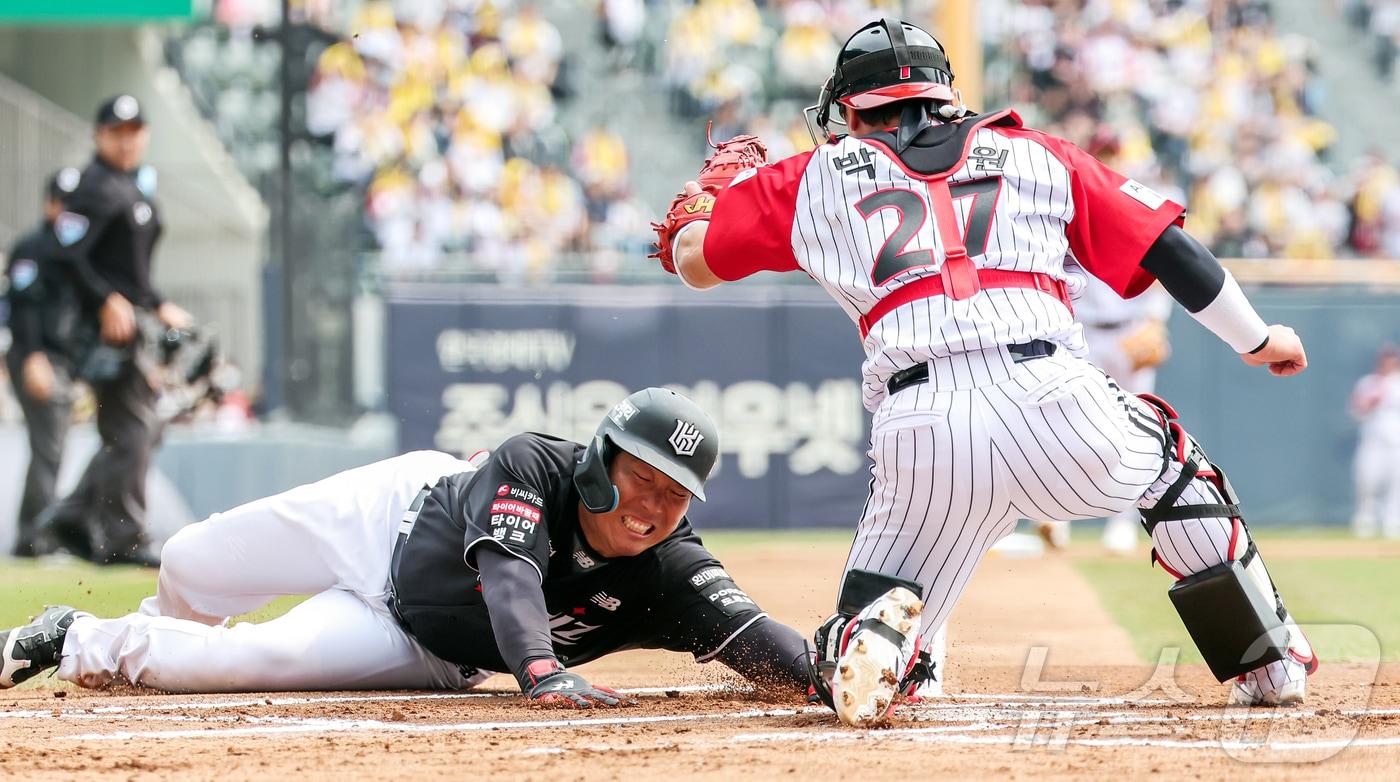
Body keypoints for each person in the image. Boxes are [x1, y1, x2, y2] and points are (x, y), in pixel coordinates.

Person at [650, 18, 1317, 726]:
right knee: (1171, 464)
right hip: (1056, 398)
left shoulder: (813, 177)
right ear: (944, 97)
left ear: (848, 109)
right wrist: (1257, 339)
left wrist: (712, 197)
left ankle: (876, 643)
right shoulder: (1038, 154)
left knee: (886, 611)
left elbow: (693, 261)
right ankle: (1267, 662)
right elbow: (1168, 248)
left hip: (921, 422)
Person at [0, 388, 812, 703]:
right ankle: (169, 631)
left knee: (254, 664)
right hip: (384, 515)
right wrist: (539, 671)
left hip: (422, 644)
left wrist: (836, 680)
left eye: (675, 494)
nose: (654, 506)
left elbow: (755, 637)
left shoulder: (669, 566)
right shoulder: (535, 462)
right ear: (600, 460)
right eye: (644, 478)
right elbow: (510, 577)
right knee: (186, 563)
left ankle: (75, 636)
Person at [33, 94, 193, 566]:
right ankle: (124, 536)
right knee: (135, 429)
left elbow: (130, 272)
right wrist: (105, 300)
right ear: (99, 135)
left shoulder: (127, 186)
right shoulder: (92, 187)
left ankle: (71, 515)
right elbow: (64, 254)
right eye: (117, 132)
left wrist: (159, 303)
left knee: (136, 431)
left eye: (134, 131)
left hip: (134, 324)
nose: (127, 140)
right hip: (106, 334)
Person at [1035, 275, 1173, 553]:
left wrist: (1156, 321)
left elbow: (1158, 271)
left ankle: (1124, 524)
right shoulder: (1070, 230)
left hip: (1130, 329)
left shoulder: (1134, 231)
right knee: (1068, 424)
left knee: (1134, 428)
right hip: (1079, 330)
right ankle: (1057, 516)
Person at [5, 170, 85, 556]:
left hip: (62, 361)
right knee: (48, 445)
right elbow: (21, 308)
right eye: (63, 202)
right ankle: (35, 535)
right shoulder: (31, 247)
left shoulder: (77, 250)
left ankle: (40, 532)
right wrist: (33, 355)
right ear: (50, 203)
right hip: (35, 357)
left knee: (51, 447)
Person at [1349, 346, 1400, 538]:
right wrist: (1369, 403)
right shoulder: (1368, 383)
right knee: (1367, 481)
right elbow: (1355, 411)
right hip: (1373, 441)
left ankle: (1393, 522)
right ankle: (1366, 520)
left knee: (1396, 484)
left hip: (1396, 443)